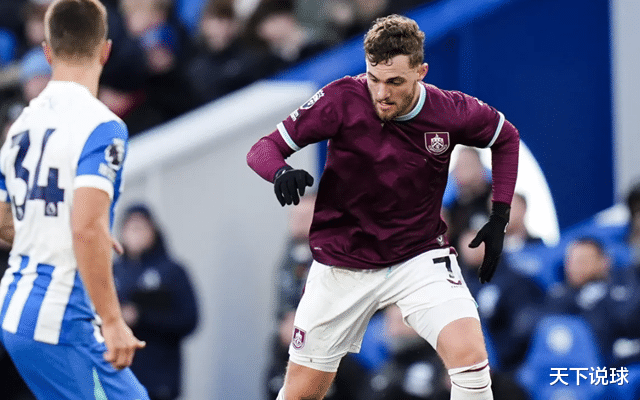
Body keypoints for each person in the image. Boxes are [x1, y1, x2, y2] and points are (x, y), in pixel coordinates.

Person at [247, 14, 520, 400]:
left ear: (421, 72)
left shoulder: (450, 110)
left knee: (471, 360)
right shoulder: (341, 98)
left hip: (418, 257)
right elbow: (263, 149)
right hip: (342, 262)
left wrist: (500, 214)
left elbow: (506, 137)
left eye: (394, 82)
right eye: (374, 78)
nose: (381, 93)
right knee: (301, 392)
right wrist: (280, 172)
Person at [0, 0, 149, 398]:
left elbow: (3, 219)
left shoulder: (20, 125)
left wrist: (60, 234)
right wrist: (113, 321)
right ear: (105, 50)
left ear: (47, 52)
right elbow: (86, 229)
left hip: (14, 308)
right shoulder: (102, 126)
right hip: (60, 317)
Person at [113, 203, 199, 400]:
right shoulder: (113, 272)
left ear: (153, 230)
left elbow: (189, 319)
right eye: (130, 228)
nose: (135, 234)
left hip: (159, 378)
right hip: (121, 376)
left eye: (140, 227)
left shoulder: (172, 272)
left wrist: (141, 317)